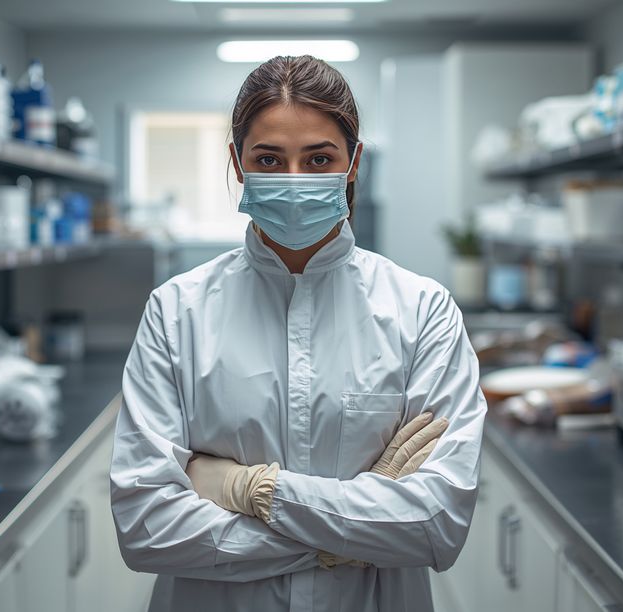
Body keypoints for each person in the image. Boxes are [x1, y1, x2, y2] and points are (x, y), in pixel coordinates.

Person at [110, 55, 486, 612]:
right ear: (237, 164)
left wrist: (247, 489)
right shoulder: (176, 312)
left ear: (353, 163)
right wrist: (353, 534)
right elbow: (146, 528)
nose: (294, 180)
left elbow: (434, 524)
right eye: (268, 158)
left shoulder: (422, 311)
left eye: (318, 159)